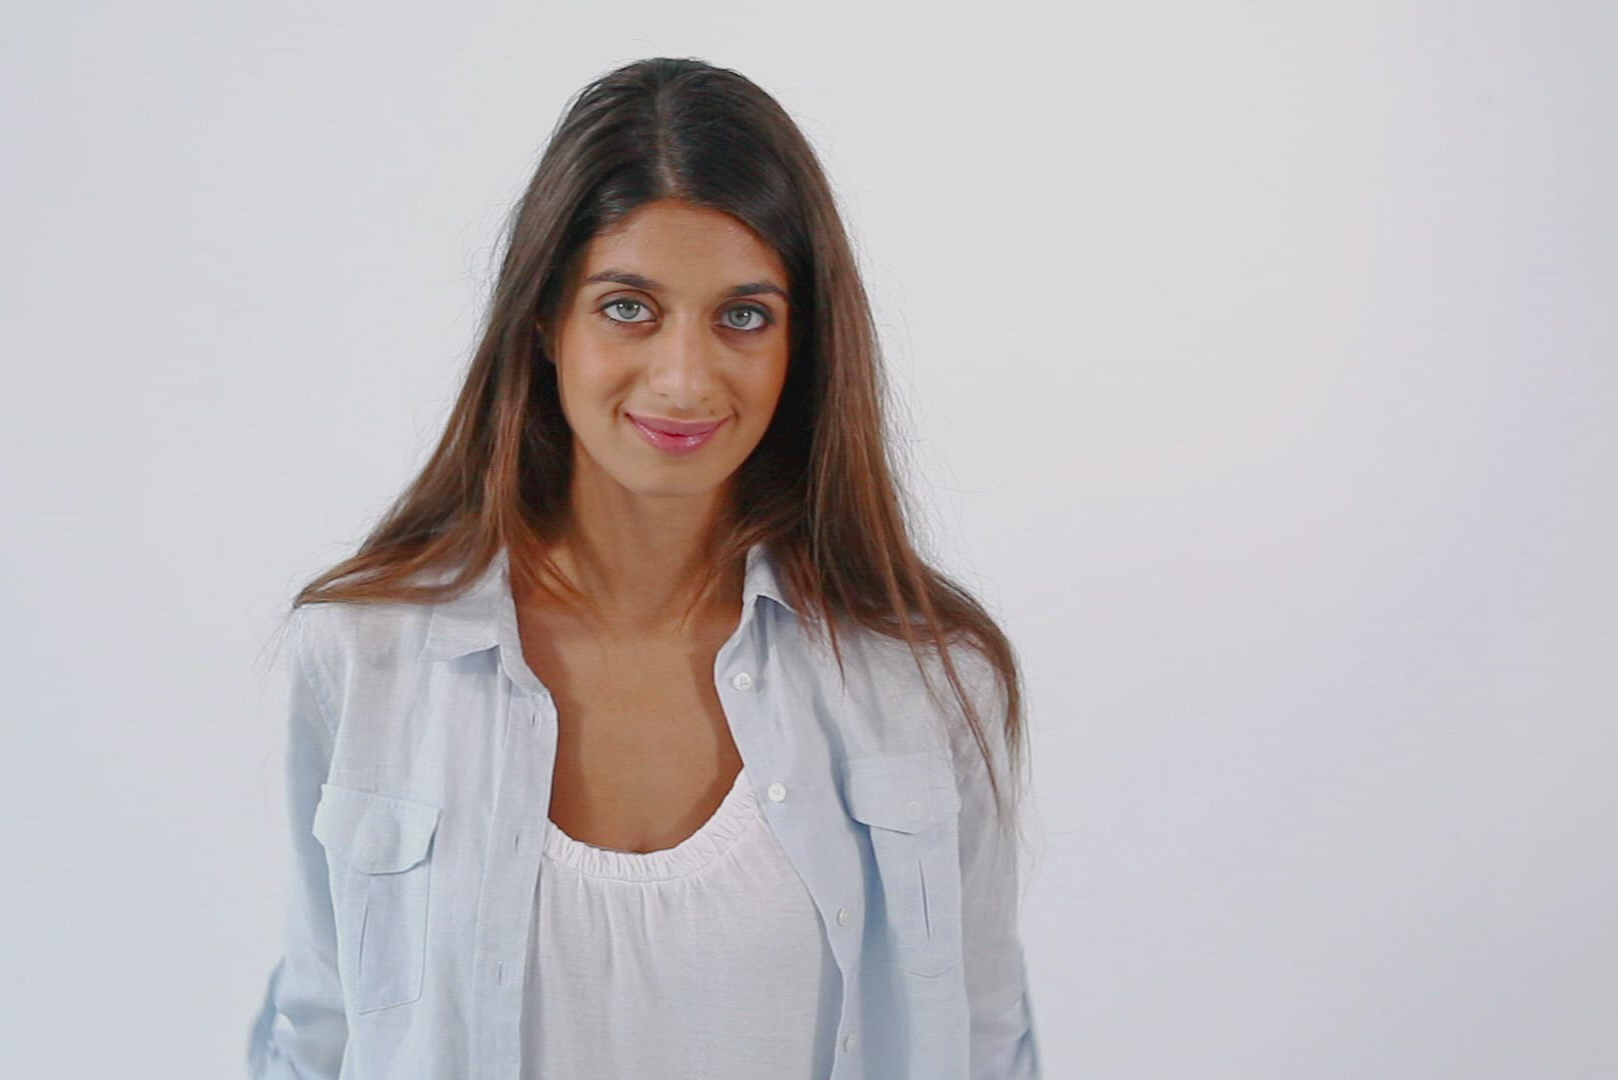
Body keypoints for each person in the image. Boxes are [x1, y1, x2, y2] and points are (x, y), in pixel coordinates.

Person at [246, 56, 1040, 1080]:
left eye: (743, 316)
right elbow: (313, 1039)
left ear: (803, 344)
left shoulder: (928, 679)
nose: (683, 379)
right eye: (629, 306)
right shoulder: (361, 654)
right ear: (544, 319)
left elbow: (986, 1048)